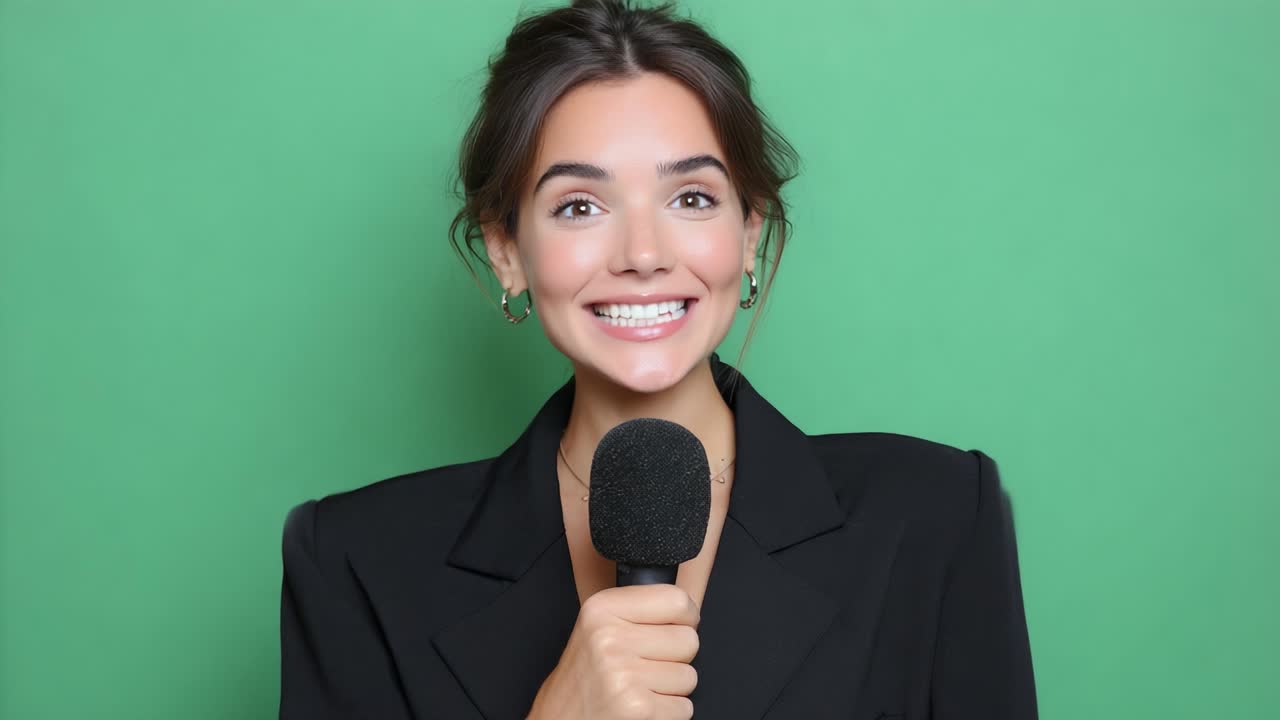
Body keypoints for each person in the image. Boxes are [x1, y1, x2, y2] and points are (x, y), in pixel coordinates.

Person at [278, 1, 1038, 718]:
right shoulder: (355, 563)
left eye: (692, 198)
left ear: (749, 231)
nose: (643, 255)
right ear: (506, 249)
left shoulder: (936, 517)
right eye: (580, 205)